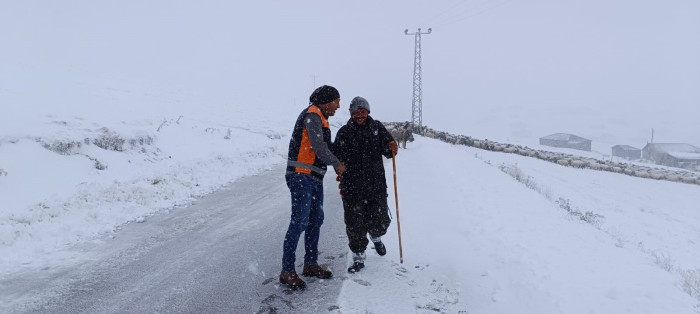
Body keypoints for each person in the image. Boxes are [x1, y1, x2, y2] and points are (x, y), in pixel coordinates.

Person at [279, 85, 346, 290]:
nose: (338, 106)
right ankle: (287, 270)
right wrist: (336, 164)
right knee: (299, 222)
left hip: (314, 177)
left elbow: (326, 147)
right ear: (327, 100)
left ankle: (310, 263)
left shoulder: (322, 118)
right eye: (336, 101)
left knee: (315, 219)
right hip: (301, 176)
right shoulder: (312, 115)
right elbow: (318, 146)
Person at [333, 96, 398, 273]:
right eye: (355, 112)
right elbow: (336, 155)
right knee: (355, 224)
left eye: (362, 111)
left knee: (380, 221)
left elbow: (388, 151)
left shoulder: (377, 127)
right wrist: (338, 164)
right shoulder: (344, 132)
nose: (359, 115)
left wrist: (392, 147)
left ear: (368, 112)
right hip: (352, 187)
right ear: (351, 114)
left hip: (376, 185)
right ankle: (358, 255)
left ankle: (376, 237)